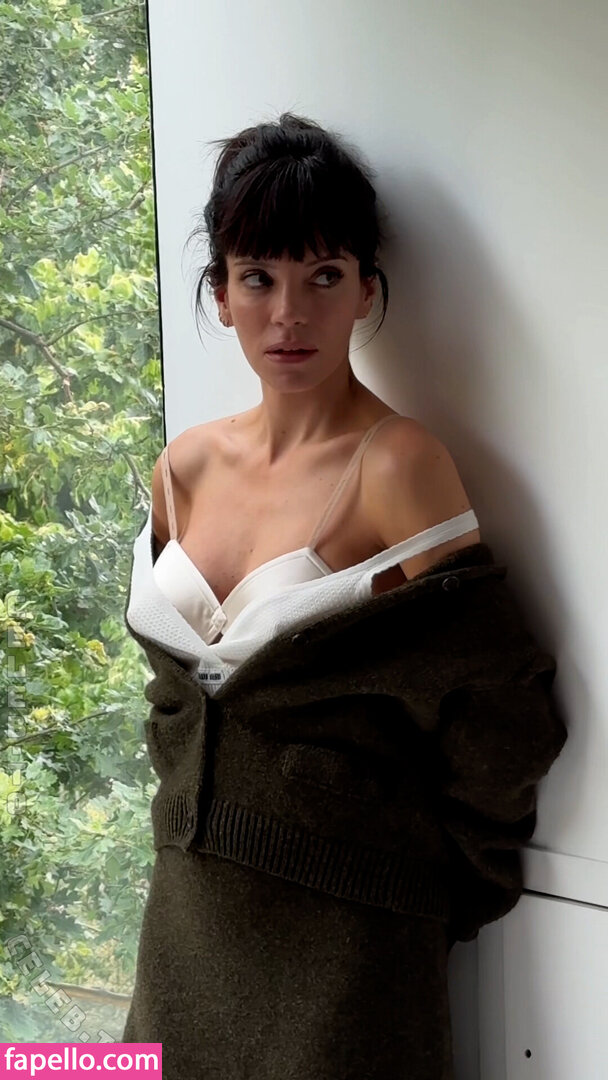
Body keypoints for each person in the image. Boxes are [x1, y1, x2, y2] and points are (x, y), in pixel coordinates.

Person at [121, 112, 565, 1078]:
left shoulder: (398, 465)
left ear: (366, 288)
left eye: (324, 276)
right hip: (187, 921)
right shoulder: (182, 469)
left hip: (349, 946)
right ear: (220, 292)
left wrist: (429, 887)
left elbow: (503, 709)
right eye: (259, 277)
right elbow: (176, 703)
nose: (291, 313)